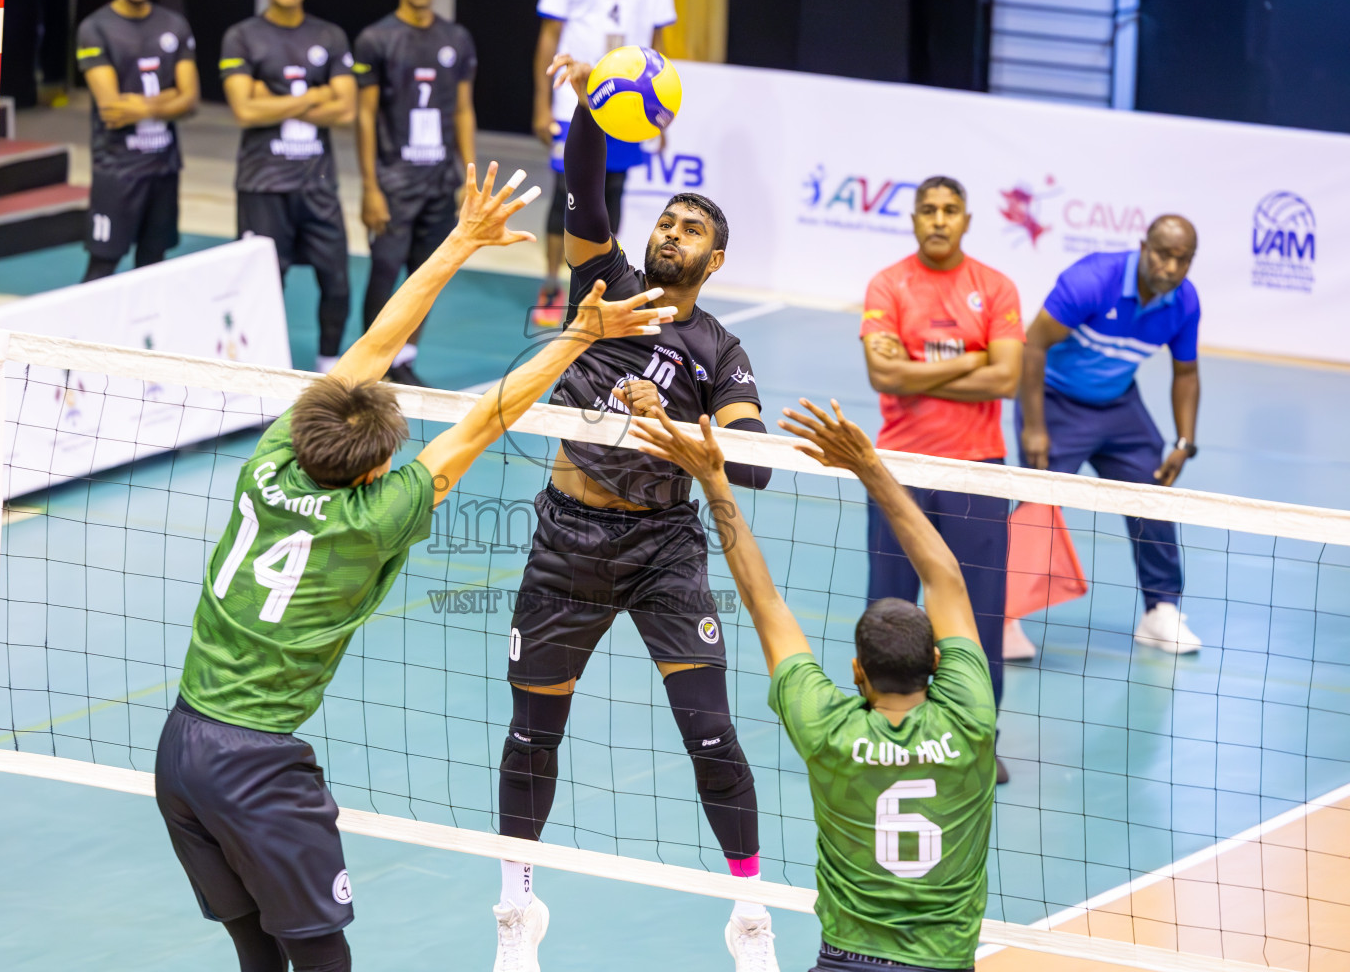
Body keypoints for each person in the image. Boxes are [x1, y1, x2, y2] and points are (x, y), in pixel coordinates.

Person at [154, 163, 676, 972]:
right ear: (370, 472)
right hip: (255, 765)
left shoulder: (275, 455)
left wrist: (460, 241)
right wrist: (579, 336)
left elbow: (371, 349)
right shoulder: (376, 513)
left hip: (179, 746)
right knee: (324, 958)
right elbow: (489, 418)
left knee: (256, 955)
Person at [492, 54, 777, 972]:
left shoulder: (719, 350)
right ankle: (516, 909)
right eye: (669, 217)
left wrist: (683, 429)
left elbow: (754, 464)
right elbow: (581, 182)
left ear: (714, 259)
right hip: (567, 539)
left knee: (712, 734)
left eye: (691, 227)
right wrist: (589, 109)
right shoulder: (604, 285)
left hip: (662, 550)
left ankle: (748, 912)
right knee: (534, 730)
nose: (673, 231)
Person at [630, 399, 997, 972]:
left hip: (845, 961)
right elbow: (946, 577)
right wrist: (869, 466)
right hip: (945, 962)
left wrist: (712, 480)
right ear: (935, 661)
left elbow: (763, 602)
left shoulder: (828, 726)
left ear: (857, 672)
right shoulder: (972, 715)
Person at [860, 176, 1023, 784]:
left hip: (976, 469)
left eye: (950, 210)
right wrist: (969, 360)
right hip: (898, 472)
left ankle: (979, 739)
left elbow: (1005, 380)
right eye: (928, 209)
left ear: (967, 219)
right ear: (912, 218)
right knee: (891, 611)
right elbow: (883, 374)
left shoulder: (995, 287)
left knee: (981, 616)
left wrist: (915, 370)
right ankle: (882, 731)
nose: (938, 220)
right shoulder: (889, 284)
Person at [1014, 215, 1203, 656]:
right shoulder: (1092, 281)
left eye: (1182, 259)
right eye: (1162, 254)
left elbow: (1187, 372)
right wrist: (1036, 427)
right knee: (1036, 505)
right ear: (1143, 246)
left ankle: (1160, 611)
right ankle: (1005, 617)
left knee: (1150, 496)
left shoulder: (1184, 303)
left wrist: (1183, 442)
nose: (1171, 268)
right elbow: (1033, 345)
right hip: (1055, 399)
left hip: (1118, 406)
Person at [220, 0, 358, 374]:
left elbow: (347, 111)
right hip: (263, 184)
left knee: (336, 281)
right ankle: (262, 371)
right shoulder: (241, 37)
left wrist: (273, 98)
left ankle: (329, 367)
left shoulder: (331, 36)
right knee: (264, 285)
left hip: (317, 184)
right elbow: (244, 111)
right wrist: (318, 94)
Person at [530, 0, 677, 327]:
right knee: (568, 191)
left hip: (629, 107)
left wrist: (659, 116)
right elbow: (549, 36)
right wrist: (541, 104)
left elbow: (657, 48)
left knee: (613, 191)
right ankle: (550, 284)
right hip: (573, 96)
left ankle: (598, 285)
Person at [353, 0, 477, 387]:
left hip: (439, 183)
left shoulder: (456, 39)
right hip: (393, 181)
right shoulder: (376, 39)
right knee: (385, 272)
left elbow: (463, 110)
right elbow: (364, 115)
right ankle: (371, 365)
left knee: (427, 276)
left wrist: (468, 174)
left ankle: (403, 358)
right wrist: (370, 186)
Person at [76, 0, 198, 283]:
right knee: (102, 267)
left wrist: (143, 104)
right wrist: (168, 98)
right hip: (117, 171)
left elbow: (191, 100)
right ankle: (81, 337)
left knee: (153, 265)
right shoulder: (95, 28)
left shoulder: (174, 25)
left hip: (164, 168)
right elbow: (112, 110)